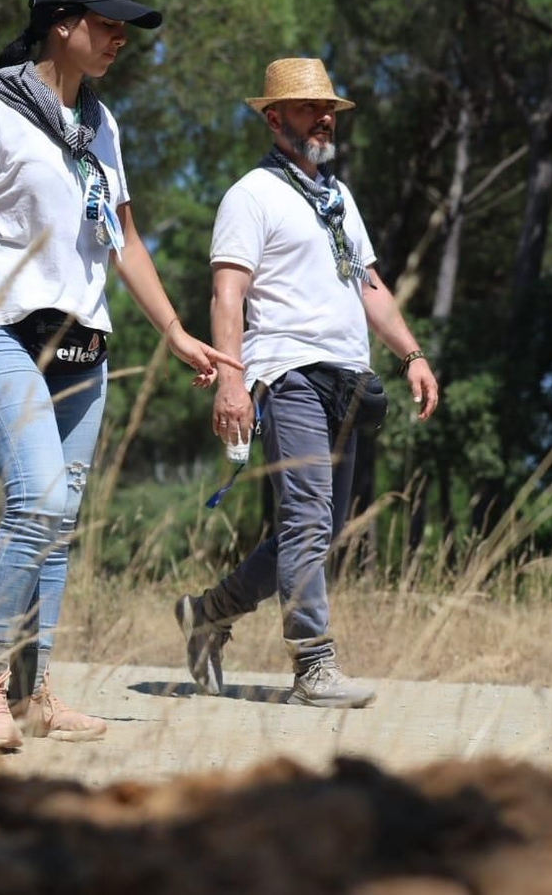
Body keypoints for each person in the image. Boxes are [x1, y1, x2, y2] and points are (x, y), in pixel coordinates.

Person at [0, 0, 241, 748]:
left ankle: (32, 692)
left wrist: (174, 329)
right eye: (107, 22)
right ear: (61, 21)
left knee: (60, 518)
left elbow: (122, 238)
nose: (121, 36)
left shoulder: (100, 123)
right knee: (37, 501)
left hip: (85, 342)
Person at [173, 57, 440, 708]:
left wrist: (411, 355)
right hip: (286, 373)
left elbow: (369, 287)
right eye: (307, 108)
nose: (323, 117)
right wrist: (232, 383)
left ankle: (208, 611)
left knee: (313, 528)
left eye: (328, 108)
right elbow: (227, 293)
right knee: (306, 520)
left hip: (350, 378)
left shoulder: (338, 198)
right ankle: (313, 665)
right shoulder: (250, 195)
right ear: (273, 117)